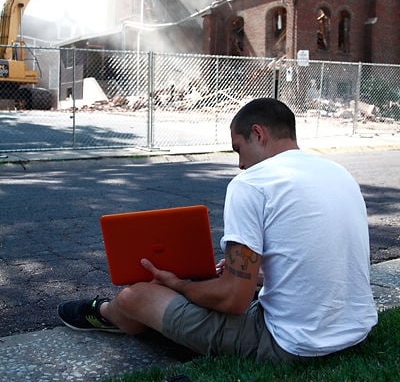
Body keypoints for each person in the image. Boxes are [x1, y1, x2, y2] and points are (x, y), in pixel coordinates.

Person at [58, 98, 378, 362]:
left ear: (258, 133)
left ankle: (104, 312)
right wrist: (258, 275)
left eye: (238, 149)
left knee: (138, 294)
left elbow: (233, 301)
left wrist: (179, 284)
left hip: (293, 345)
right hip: (356, 332)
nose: (239, 163)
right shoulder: (338, 173)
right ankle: (124, 314)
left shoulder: (252, 183)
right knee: (212, 285)